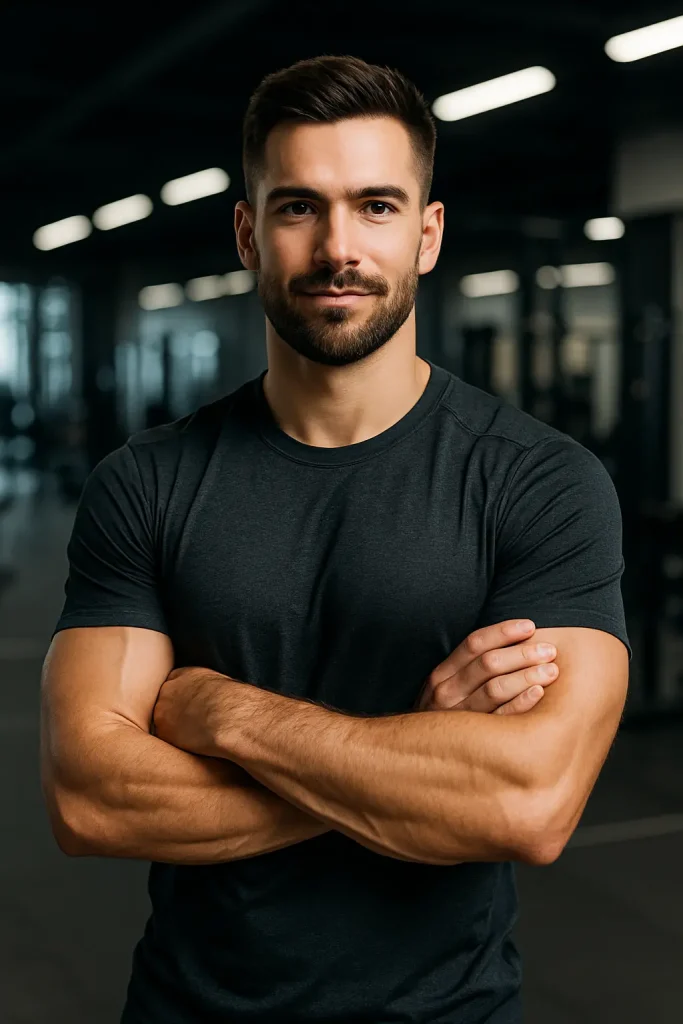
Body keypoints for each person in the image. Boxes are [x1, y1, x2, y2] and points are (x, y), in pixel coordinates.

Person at [40, 55, 630, 1024]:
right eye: (297, 207)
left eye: (376, 206)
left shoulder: (538, 481)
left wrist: (222, 712)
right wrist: (415, 762)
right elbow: (91, 800)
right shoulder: (145, 482)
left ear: (427, 234)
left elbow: (526, 804)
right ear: (246, 232)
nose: (336, 246)